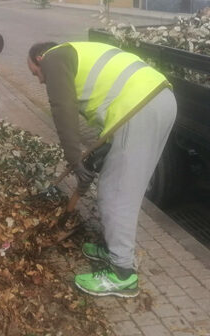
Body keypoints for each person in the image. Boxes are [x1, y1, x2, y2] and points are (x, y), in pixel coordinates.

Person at [27, 41, 177, 297]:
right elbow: (107, 106)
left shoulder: (53, 58)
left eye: (35, 73)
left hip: (139, 108)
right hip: (153, 101)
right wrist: (92, 160)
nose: (40, 81)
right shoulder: (75, 52)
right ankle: (114, 249)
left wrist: (74, 160)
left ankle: (122, 274)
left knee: (118, 194)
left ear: (40, 59)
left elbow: (63, 111)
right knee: (115, 185)